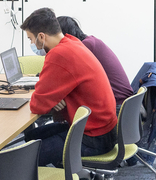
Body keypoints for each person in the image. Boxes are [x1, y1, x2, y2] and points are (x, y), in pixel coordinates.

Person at [21, 8, 118, 166]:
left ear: (41, 36)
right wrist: (56, 98)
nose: (32, 44)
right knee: (32, 136)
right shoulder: (72, 42)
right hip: (104, 129)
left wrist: (52, 99)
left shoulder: (58, 55)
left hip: (93, 138)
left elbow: (37, 105)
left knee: (25, 158)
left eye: (31, 39)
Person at [57, 15, 133, 107]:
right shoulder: (91, 41)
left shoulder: (85, 47)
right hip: (123, 104)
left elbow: (67, 81)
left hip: (117, 105)